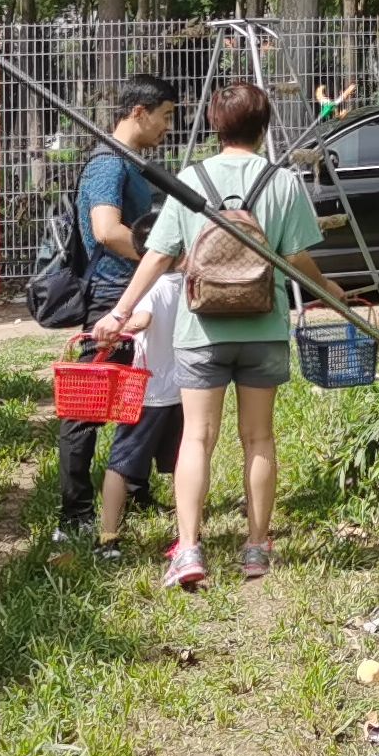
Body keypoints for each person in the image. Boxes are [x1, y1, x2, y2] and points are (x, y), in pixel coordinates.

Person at [91, 79, 328, 589]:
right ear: (263, 128)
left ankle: (190, 549)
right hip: (263, 327)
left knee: (196, 438)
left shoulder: (189, 179)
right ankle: (256, 548)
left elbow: (157, 255)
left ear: (216, 126)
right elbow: (298, 259)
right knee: (258, 438)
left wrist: (120, 310)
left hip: (200, 328)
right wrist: (329, 288)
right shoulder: (282, 182)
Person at [54, 75, 176, 550]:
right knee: (88, 407)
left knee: (142, 397)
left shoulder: (130, 163)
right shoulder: (108, 165)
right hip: (111, 299)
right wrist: (162, 256)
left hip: (132, 296)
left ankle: (135, 490)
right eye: (165, 115)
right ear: (139, 113)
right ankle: (75, 511)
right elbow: (106, 231)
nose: (169, 126)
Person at [90, 267, 185, 555]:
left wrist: (115, 327)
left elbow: (142, 319)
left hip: (146, 393)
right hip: (182, 391)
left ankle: (108, 536)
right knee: (182, 463)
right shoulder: (187, 283)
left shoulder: (150, 288)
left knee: (120, 464)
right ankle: (188, 533)